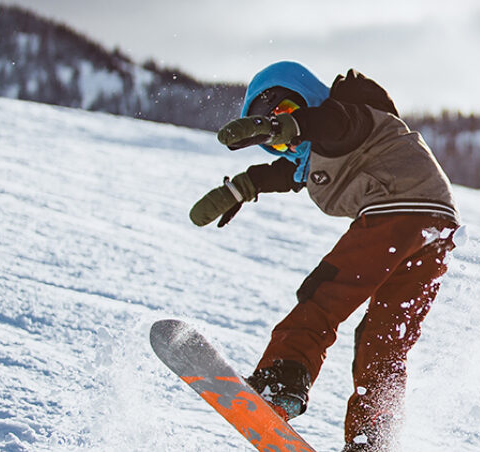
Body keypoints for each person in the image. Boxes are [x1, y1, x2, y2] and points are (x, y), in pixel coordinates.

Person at [189, 61, 459, 452]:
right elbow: (285, 174)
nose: (286, 143)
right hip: (436, 231)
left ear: (305, 100)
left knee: (323, 296)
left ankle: (281, 382)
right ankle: (374, 434)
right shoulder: (317, 154)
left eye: (282, 117)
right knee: (384, 337)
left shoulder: (347, 116)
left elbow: (332, 125)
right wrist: (243, 187)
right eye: (276, 141)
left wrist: (289, 126)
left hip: (398, 213)